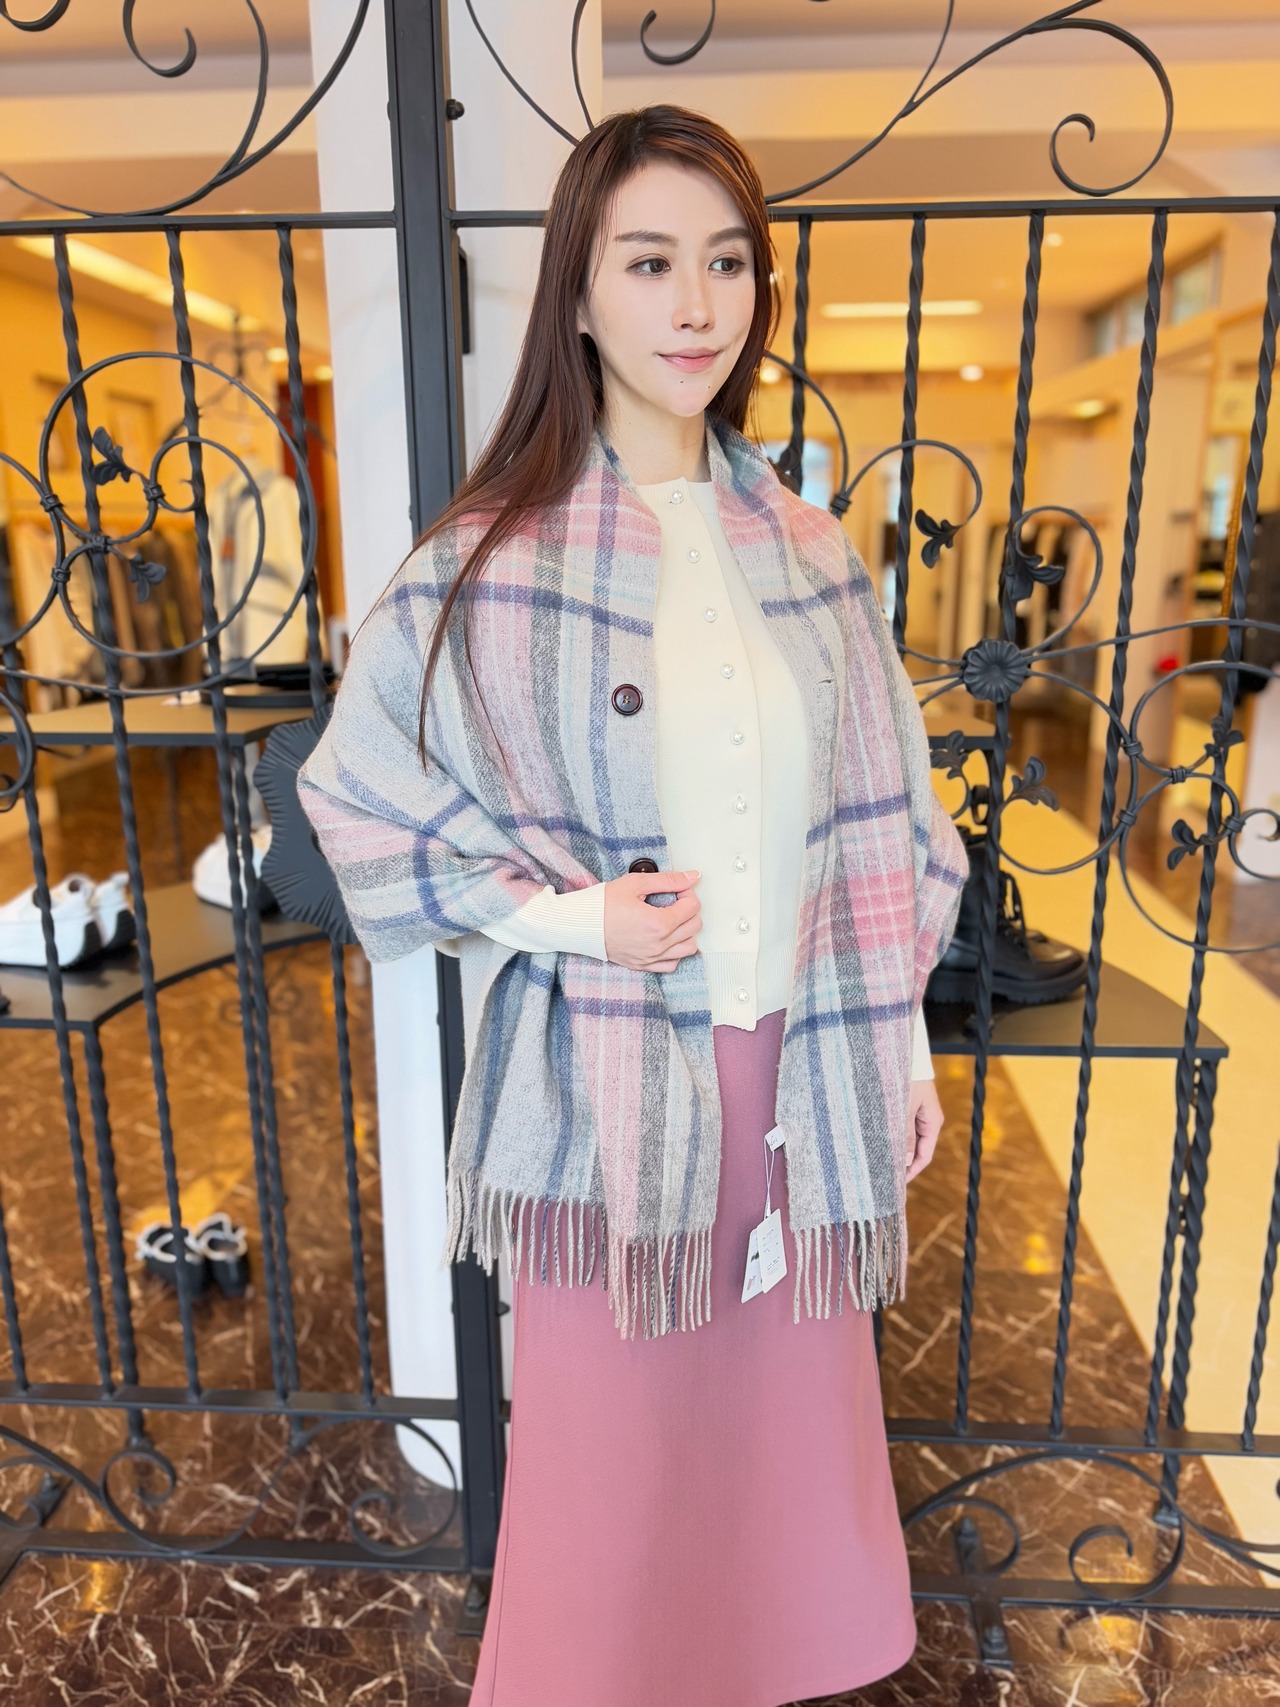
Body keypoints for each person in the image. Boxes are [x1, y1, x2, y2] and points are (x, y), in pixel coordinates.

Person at [297, 104, 966, 1707]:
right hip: (612, 1091)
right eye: (651, 262)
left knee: (782, 1473)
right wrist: (572, 920)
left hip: (799, 1079)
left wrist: (902, 1046)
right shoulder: (491, 559)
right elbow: (356, 798)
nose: (696, 305)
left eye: (728, 263)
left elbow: (887, 828)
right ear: (580, 292)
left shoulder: (809, 554)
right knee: (611, 1491)